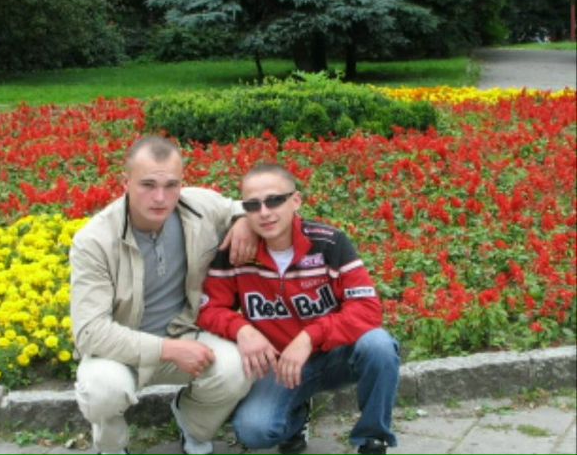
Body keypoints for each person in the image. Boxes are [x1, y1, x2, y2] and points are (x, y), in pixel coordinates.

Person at [69, 136, 257, 455]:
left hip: (186, 332)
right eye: (148, 185)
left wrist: (244, 223)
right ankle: (111, 447)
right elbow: (90, 333)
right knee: (101, 390)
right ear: (125, 183)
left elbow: (248, 208)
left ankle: (193, 426)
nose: (161, 197)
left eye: (171, 185)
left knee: (237, 368)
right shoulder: (94, 241)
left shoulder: (198, 206)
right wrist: (167, 349)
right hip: (122, 350)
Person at [197, 163, 400, 455]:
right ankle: (297, 417)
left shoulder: (329, 243)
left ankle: (372, 438)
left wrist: (309, 337)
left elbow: (367, 309)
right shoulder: (235, 252)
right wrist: (241, 329)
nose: (264, 212)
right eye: (253, 205)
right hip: (281, 365)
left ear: (296, 200)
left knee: (379, 346)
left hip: (335, 354)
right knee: (253, 431)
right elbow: (209, 309)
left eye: (274, 200)